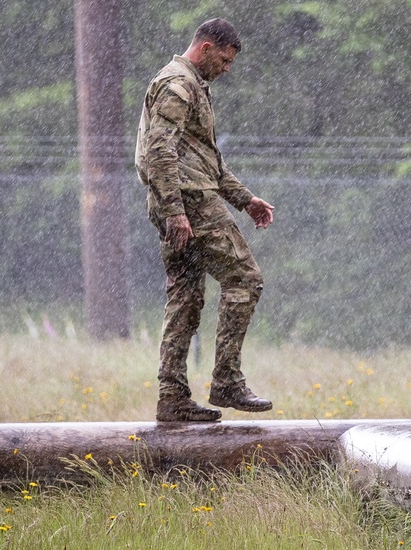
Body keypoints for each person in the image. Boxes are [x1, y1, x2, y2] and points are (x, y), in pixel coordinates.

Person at [136, 18, 274, 422]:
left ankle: (172, 398)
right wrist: (177, 211)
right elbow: (160, 151)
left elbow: (203, 159)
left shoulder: (189, 82)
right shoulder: (180, 84)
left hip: (180, 200)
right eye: (225, 60)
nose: (227, 69)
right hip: (191, 203)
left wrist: (245, 200)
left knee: (185, 297)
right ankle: (227, 381)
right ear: (207, 47)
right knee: (245, 280)